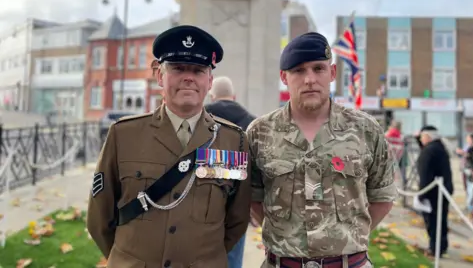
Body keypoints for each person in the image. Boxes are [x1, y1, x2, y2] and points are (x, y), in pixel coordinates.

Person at [87, 25, 251, 268]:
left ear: (209, 80)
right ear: (160, 76)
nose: (188, 77)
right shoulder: (123, 135)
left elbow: (236, 221)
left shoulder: (233, 141)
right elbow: (99, 217)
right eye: (178, 68)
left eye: (197, 70)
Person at [247, 32, 398, 268]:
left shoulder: (365, 130)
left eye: (318, 68)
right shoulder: (260, 132)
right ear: (284, 77)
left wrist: (347, 236)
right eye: (298, 70)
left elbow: (382, 197)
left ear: (333, 73)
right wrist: (288, 237)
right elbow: (253, 199)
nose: (309, 79)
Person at [205, 76, 256, 268]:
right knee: (233, 258)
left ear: (212, 96)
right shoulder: (252, 122)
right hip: (237, 203)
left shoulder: (199, 118)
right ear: (233, 96)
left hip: (202, 205)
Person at [416, 125, 453, 257]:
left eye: (422, 137)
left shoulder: (430, 151)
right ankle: (440, 246)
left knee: (433, 222)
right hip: (442, 190)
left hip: (433, 192)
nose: (420, 139)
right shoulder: (438, 147)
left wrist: (422, 193)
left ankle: (435, 248)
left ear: (428, 136)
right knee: (441, 220)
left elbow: (425, 174)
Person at [458, 133, 473, 219]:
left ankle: (471, 210)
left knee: (472, 191)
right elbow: (471, 159)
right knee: (470, 190)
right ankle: (471, 209)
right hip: (471, 173)